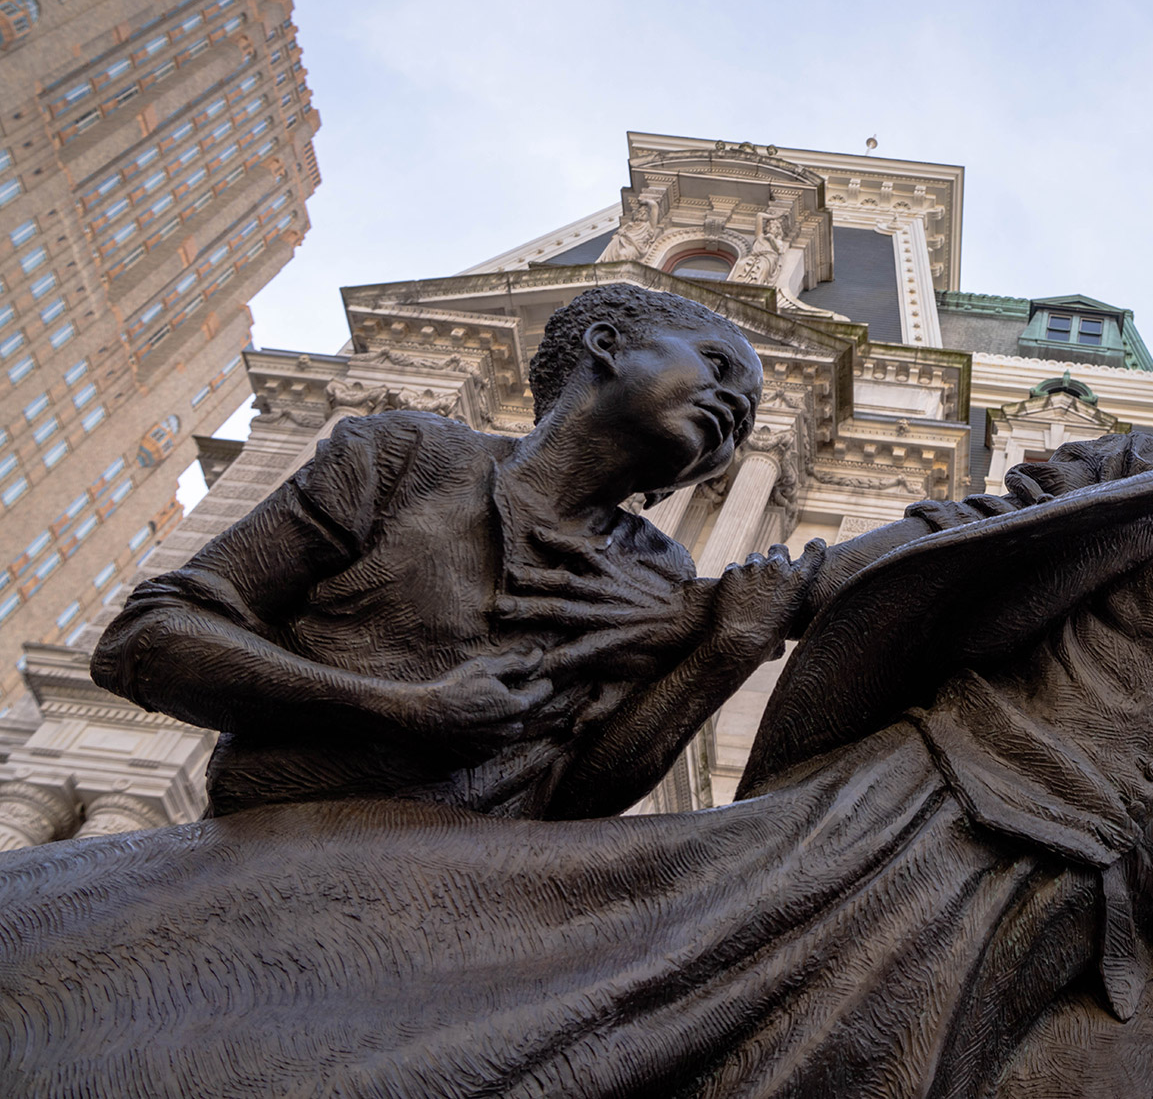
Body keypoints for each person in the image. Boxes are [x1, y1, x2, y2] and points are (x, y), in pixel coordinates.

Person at [0, 419, 1153, 1098]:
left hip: (1086, 943)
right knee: (567, 1015)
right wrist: (731, 628)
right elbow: (935, 560)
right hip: (910, 830)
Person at [93, 281, 858, 820]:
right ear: (606, 345)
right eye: (718, 368)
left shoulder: (659, 576)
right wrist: (403, 709)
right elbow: (145, 641)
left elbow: (573, 798)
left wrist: (725, 651)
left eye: (748, 419)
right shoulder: (403, 453)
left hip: (460, 887)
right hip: (269, 836)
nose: (733, 409)